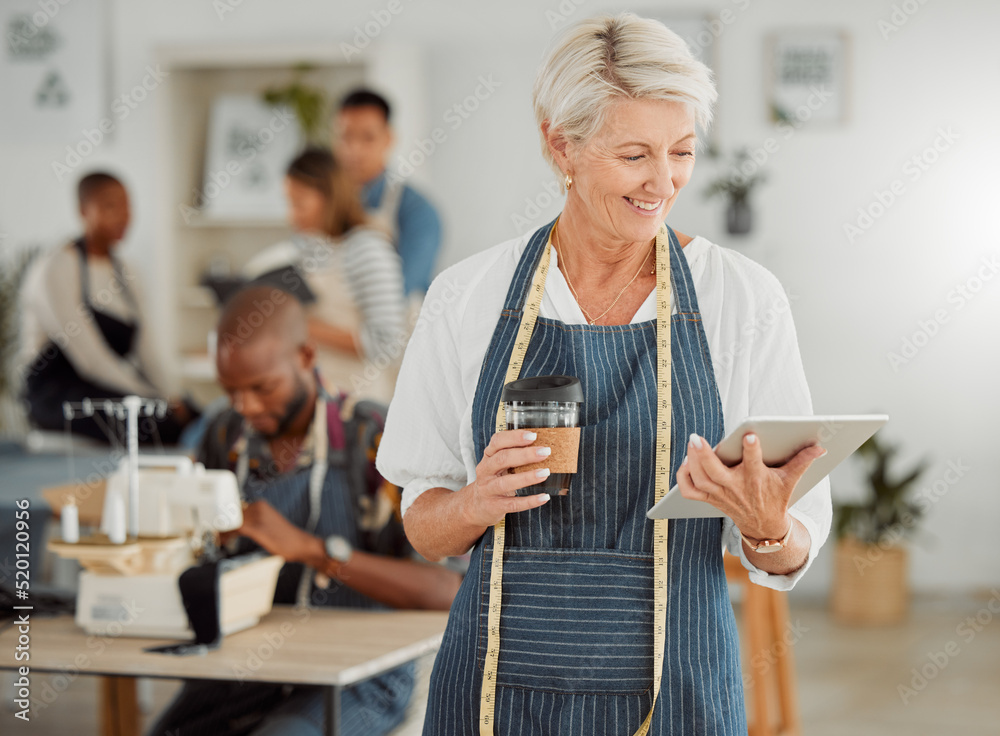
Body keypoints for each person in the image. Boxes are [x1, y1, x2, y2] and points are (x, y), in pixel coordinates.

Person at [376, 14, 832, 735]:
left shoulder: (740, 297)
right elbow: (423, 526)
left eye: (682, 151)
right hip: (496, 686)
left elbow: (794, 540)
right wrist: (474, 502)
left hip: (680, 686)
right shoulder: (466, 298)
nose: (664, 181)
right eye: (634, 155)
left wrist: (767, 525)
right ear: (562, 143)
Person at [149, 286, 462, 736]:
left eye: (262, 388)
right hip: (248, 669)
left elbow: (447, 591)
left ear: (306, 356)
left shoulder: (374, 439)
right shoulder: (224, 435)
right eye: (231, 391)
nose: (246, 406)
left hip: (358, 672)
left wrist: (314, 551)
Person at [19, 171, 194, 444]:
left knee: (194, 414)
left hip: (108, 388)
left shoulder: (127, 271)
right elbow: (90, 360)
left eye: (127, 205)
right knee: (158, 423)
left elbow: (147, 350)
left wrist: (171, 396)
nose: (123, 216)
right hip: (60, 394)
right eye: (110, 206)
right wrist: (153, 400)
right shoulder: (57, 268)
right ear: (83, 211)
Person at [244, 147, 406, 403]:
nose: (291, 215)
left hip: (357, 403)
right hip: (311, 397)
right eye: (289, 203)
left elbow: (388, 345)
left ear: (329, 197)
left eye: (299, 203)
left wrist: (303, 326)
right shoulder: (307, 249)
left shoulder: (367, 250)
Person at [334, 89, 442, 298]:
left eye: (368, 138)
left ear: (388, 139)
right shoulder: (326, 203)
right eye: (346, 137)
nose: (354, 149)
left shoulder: (418, 210)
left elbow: (405, 288)